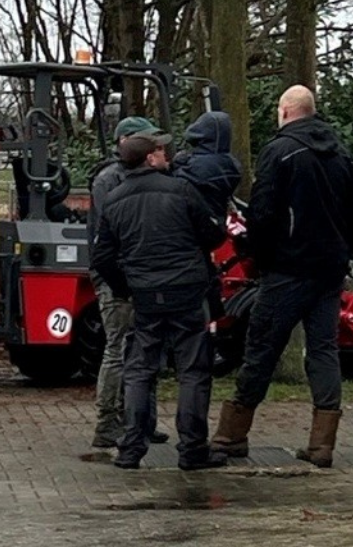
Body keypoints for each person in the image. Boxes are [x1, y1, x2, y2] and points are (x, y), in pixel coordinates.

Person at [213, 85, 353, 467]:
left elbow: (263, 213)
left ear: (284, 112)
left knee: (262, 345)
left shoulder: (279, 152)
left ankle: (232, 434)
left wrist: (261, 257)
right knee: (323, 351)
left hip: (286, 269)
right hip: (329, 269)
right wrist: (345, 252)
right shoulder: (341, 154)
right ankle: (322, 444)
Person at [92, 133, 229, 471]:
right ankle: (193, 448)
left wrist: (126, 287)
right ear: (150, 158)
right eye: (160, 149)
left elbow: (102, 256)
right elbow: (213, 234)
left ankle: (131, 448)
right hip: (187, 290)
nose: (166, 153)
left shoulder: (115, 200)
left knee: (139, 370)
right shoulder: (181, 190)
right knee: (193, 370)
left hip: (145, 296)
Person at [87, 116, 170, 449]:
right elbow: (115, 232)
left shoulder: (135, 177)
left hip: (135, 272)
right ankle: (108, 422)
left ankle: (141, 420)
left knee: (141, 347)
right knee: (119, 348)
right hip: (116, 275)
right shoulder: (109, 181)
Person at [175, 109, 243, 219]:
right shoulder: (232, 164)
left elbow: (178, 183)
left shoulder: (195, 166)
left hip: (195, 222)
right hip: (218, 219)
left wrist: (177, 164)